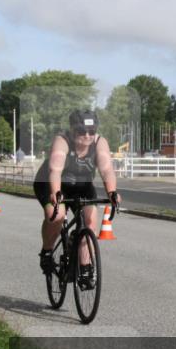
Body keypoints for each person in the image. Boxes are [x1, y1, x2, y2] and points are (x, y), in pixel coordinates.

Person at [34, 110, 120, 285]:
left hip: (82, 186)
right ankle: (47, 252)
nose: (87, 136)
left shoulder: (99, 142)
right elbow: (55, 170)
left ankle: (85, 267)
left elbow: (106, 170)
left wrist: (112, 193)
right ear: (72, 129)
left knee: (90, 222)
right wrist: (56, 192)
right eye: (81, 131)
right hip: (52, 184)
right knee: (56, 216)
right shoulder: (62, 141)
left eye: (91, 131)